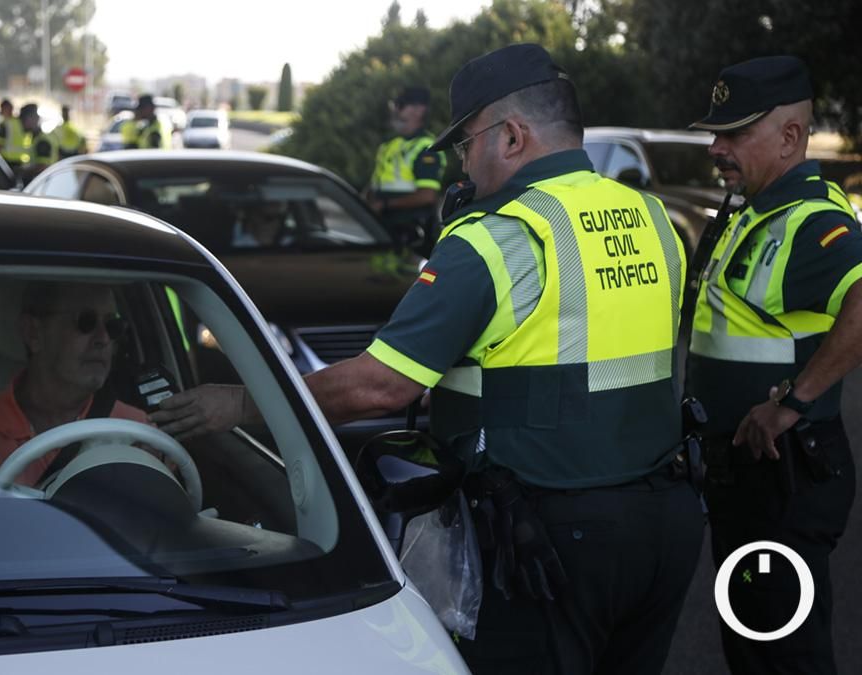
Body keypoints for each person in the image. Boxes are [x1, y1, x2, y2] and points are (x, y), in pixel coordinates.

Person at [150, 43, 701, 674]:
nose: (464, 165)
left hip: (552, 541)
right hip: (664, 523)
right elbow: (582, 349)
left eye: (466, 144)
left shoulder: (500, 236)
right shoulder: (652, 218)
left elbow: (382, 388)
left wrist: (244, 404)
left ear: (512, 136)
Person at [685, 56, 860, 675]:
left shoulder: (811, 221)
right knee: (753, 642)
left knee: (786, 655)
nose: (716, 148)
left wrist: (794, 402)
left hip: (784, 479)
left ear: (790, 136)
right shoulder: (753, 211)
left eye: (735, 134)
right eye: (716, 133)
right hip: (747, 480)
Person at [0, 282, 150, 498]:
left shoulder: (137, 431)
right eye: (86, 322)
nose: (103, 339)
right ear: (33, 332)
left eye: (113, 326)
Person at [363, 86, 446, 251]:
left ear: (418, 110)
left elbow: (427, 195)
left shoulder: (427, 148)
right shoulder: (389, 146)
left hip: (413, 234)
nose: (395, 111)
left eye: (400, 106)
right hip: (384, 230)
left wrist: (384, 205)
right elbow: (374, 185)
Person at [19, 103, 60, 182]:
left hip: (43, 185)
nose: (22, 124)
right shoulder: (37, 139)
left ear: (33, 119)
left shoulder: (42, 141)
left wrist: (23, 171)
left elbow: (42, 167)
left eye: (24, 120)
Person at [0, 98, 30, 169]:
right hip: (22, 159)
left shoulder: (4, 124)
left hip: (7, 160)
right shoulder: (20, 122)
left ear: (3, 109)